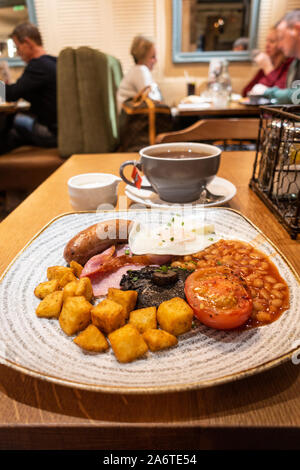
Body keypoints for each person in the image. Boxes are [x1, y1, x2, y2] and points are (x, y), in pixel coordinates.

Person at [0, 22, 57, 155]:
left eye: (18, 47)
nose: (18, 53)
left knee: (9, 122)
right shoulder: (53, 61)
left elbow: (11, 94)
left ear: (27, 43)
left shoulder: (38, 66)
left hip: (51, 133)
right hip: (61, 128)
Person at [250, 10, 300, 104]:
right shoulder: (295, 64)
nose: (280, 46)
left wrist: (267, 92)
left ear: (297, 30)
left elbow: (294, 96)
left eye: (281, 38)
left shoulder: (290, 62)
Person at [242, 27, 293, 97]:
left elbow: (280, 94)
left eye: (272, 41)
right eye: (267, 41)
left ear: (282, 44)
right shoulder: (268, 63)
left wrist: (268, 68)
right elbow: (246, 92)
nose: (267, 45)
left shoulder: (289, 64)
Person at [117, 35, 162, 113]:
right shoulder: (141, 70)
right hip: (134, 119)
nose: (156, 60)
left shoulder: (135, 70)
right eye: (152, 57)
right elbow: (154, 100)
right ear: (142, 57)